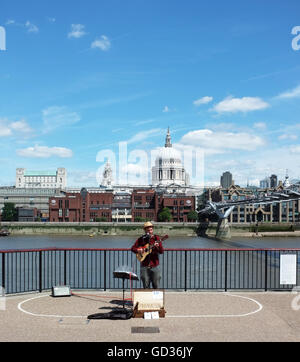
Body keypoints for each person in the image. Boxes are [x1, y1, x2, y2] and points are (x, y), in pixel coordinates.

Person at [131, 221, 164, 289]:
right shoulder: (141, 239)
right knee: (145, 285)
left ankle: (156, 299)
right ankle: (147, 299)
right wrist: (138, 250)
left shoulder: (156, 238)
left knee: (156, 285)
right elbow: (132, 248)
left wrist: (157, 246)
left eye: (151, 229)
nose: (150, 231)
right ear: (145, 230)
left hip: (155, 265)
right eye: (148, 230)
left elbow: (161, 251)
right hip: (144, 265)